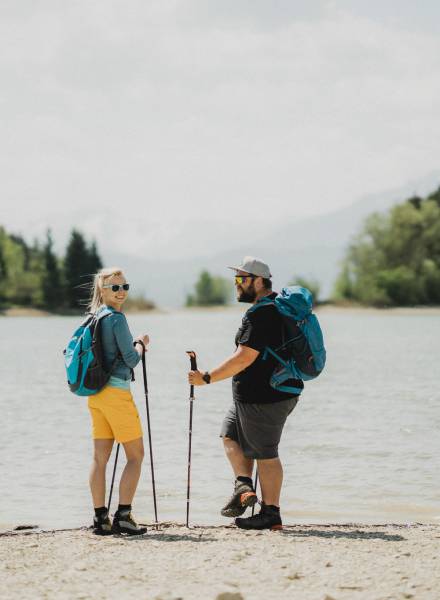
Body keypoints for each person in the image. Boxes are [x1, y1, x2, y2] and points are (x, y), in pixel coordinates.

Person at [188, 256, 300, 531]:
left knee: (265, 453)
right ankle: (244, 487)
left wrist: (207, 378)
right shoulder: (271, 308)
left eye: (242, 279)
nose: (236, 285)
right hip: (255, 395)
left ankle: (271, 514)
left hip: (265, 396)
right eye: (236, 279)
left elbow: (244, 357)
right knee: (230, 434)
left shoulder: (262, 313)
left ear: (259, 281)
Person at [87, 267, 150, 536]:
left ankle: (101, 519)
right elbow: (132, 359)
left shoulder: (94, 317)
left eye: (125, 287)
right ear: (102, 291)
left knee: (100, 459)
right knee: (136, 457)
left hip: (96, 394)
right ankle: (123, 516)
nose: (121, 292)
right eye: (115, 288)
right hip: (116, 393)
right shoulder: (116, 319)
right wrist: (142, 344)